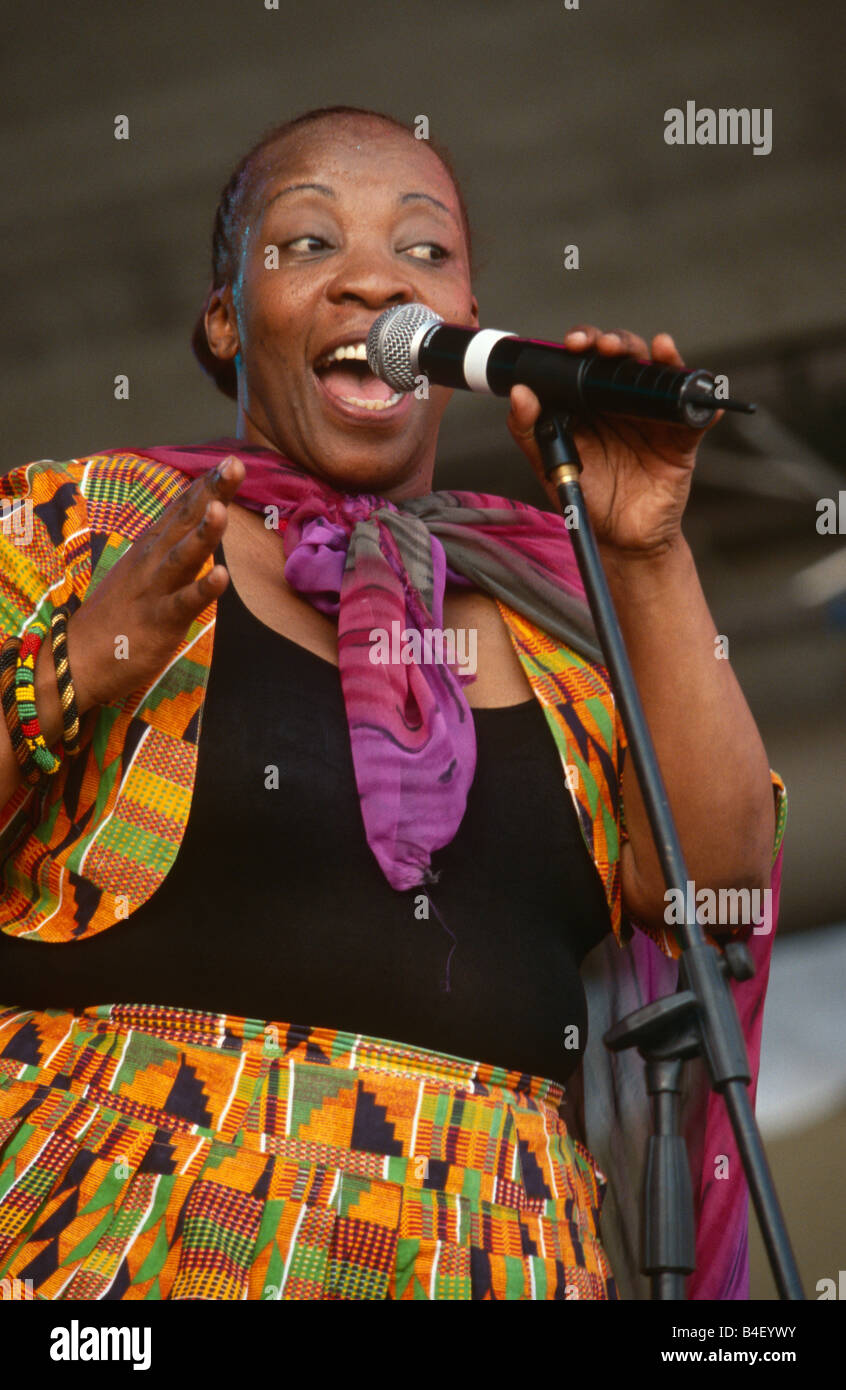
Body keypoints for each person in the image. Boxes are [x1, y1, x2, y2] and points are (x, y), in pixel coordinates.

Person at [0, 105, 786, 1301]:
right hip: (130, 1239)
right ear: (224, 317)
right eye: (309, 244)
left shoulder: (561, 620)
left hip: (501, 1253)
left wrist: (647, 553)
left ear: (466, 325)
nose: (373, 278)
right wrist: (77, 666)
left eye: (425, 252)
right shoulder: (82, 522)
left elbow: (715, 889)